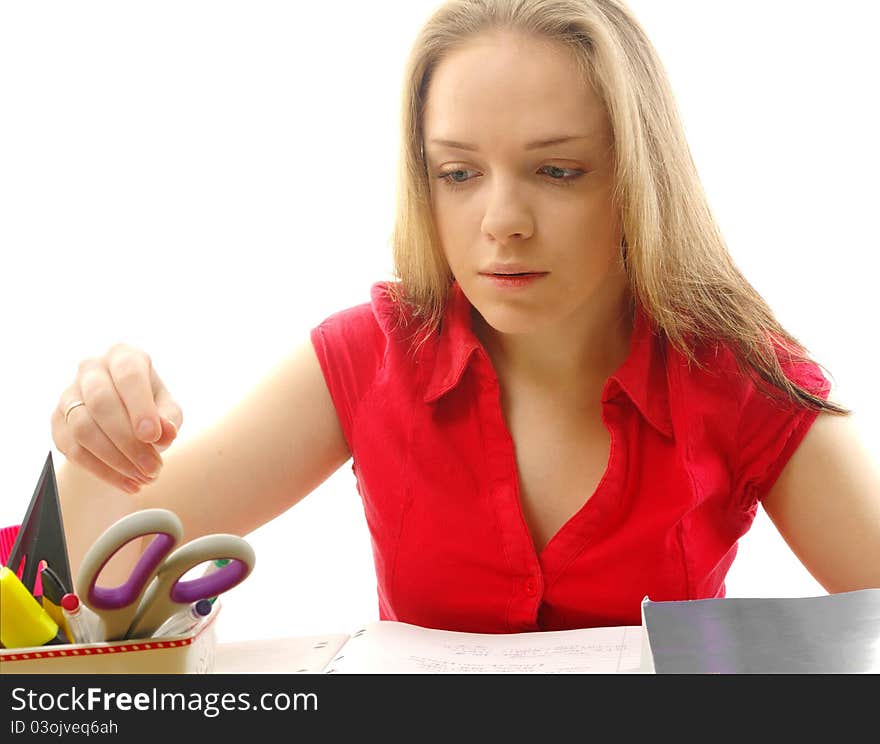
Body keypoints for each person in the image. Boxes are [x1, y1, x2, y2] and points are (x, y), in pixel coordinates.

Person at [51, 0, 880, 633]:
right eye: (458, 173)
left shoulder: (740, 377)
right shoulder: (369, 354)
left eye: (557, 171)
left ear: (638, 181)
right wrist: (92, 438)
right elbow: (110, 567)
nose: (502, 221)